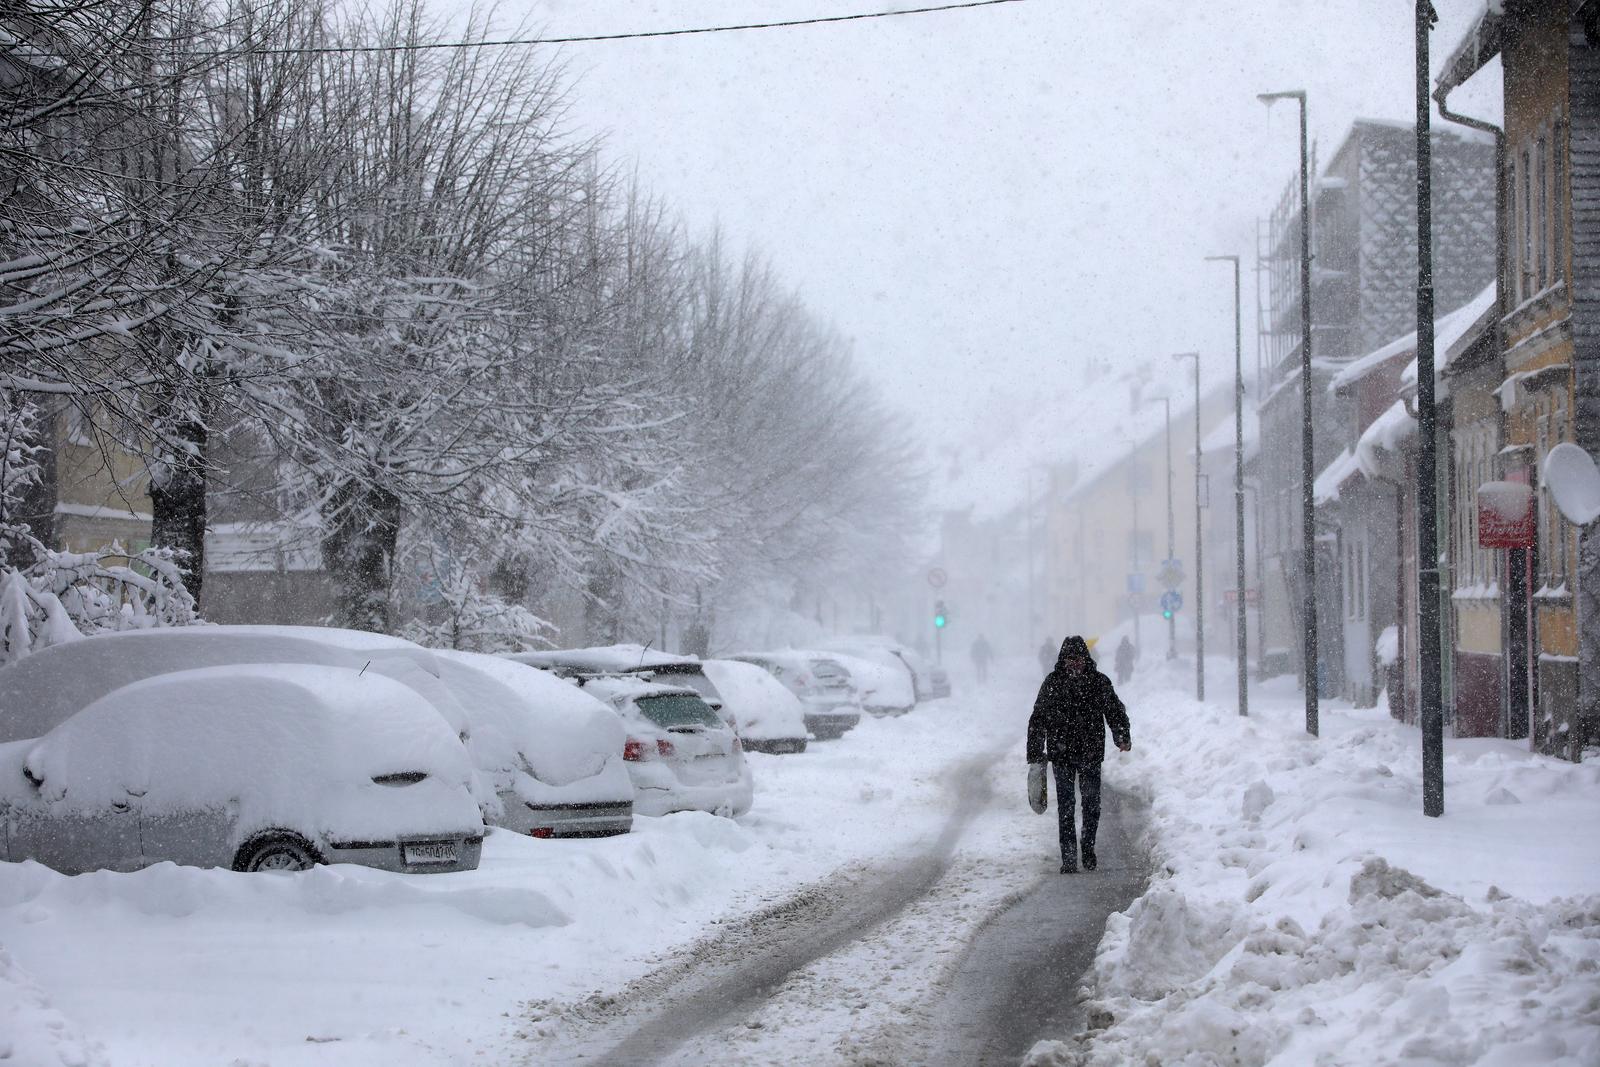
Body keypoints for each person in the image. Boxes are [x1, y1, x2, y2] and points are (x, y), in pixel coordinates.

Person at [1026, 635, 1132, 873]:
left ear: (1086, 659)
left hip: (1090, 753)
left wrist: (1122, 736)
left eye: (1078, 659)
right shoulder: (1052, 683)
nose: (1074, 664)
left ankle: (1088, 845)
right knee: (1066, 806)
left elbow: (1115, 710)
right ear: (1063, 660)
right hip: (1061, 755)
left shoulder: (1098, 682)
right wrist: (1035, 753)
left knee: (1091, 804)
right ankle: (1070, 857)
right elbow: (1038, 719)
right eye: (1069, 659)